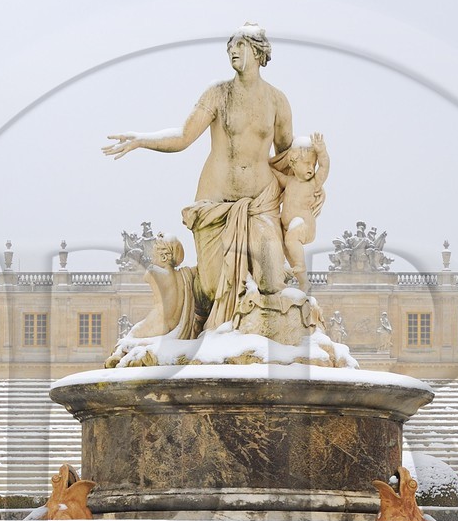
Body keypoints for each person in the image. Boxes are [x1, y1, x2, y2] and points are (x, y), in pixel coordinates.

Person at [104, 24, 294, 333]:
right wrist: (142, 139)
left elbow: (286, 156)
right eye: (230, 46)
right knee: (211, 289)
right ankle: (189, 314)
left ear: (259, 52)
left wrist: (311, 182)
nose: (232, 51)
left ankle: (260, 340)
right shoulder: (218, 93)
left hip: (261, 203)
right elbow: (183, 136)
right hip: (215, 202)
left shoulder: (277, 101)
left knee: (272, 280)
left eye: (240, 46)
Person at [270, 132, 329, 287]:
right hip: (288, 228)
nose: (311, 168)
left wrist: (322, 152)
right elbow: (275, 174)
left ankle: (300, 266)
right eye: (307, 163)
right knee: (286, 247)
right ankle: (303, 281)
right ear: (293, 164)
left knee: (291, 239)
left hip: (304, 226)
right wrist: (264, 164)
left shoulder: (314, 183)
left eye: (313, 164)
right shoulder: (289, 181)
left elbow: (324, 167)